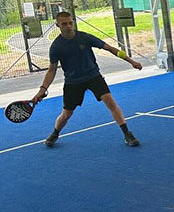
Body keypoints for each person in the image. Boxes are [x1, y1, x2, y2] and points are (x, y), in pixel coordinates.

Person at [31, 11, 142, 148]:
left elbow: (110, 49)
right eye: (64, 24)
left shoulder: (84, 37)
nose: (68, 26)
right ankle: (55, 133)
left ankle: (127, 134)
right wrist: (42, 89)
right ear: (58, 25)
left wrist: (131, 61)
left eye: (70, 23)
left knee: (109, 101)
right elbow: (52, 69)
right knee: (67, 114)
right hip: (73, 82)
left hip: (93, 76)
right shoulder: (56, 47)